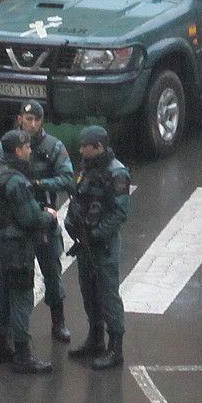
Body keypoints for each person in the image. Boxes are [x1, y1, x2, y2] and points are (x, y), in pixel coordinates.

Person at [0, 100, 74, 343]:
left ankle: (58, 321)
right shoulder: (5, 147)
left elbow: (67, 178)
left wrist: (39, 185)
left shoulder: (53, 146)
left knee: (52, 272)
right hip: (16, 222)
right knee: (12, 278)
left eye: (37, 120)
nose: (32, 124)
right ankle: (11, 333)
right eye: (28, 119)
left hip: (41, 219)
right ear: (20, 118)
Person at [0, 129, 58, 374]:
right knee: (22, 297)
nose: (30, 150)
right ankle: (23, 355)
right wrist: (48, 217)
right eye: (26, 147)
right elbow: (29, 218)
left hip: (1, 244)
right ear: (17, 150)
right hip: (17, 246)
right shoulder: (16, 181)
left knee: (2, 293)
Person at [66, 125, 131, 371]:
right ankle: (95, 338)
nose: (81, 150)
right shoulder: (87, 167)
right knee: (88, 290)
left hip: (103, 245)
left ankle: (115, 348)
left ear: (99, 147)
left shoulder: (117, 174)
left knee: (107, 294)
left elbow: (119, 213)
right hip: (86, 241)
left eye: (86, 147)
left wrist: (96, 234)